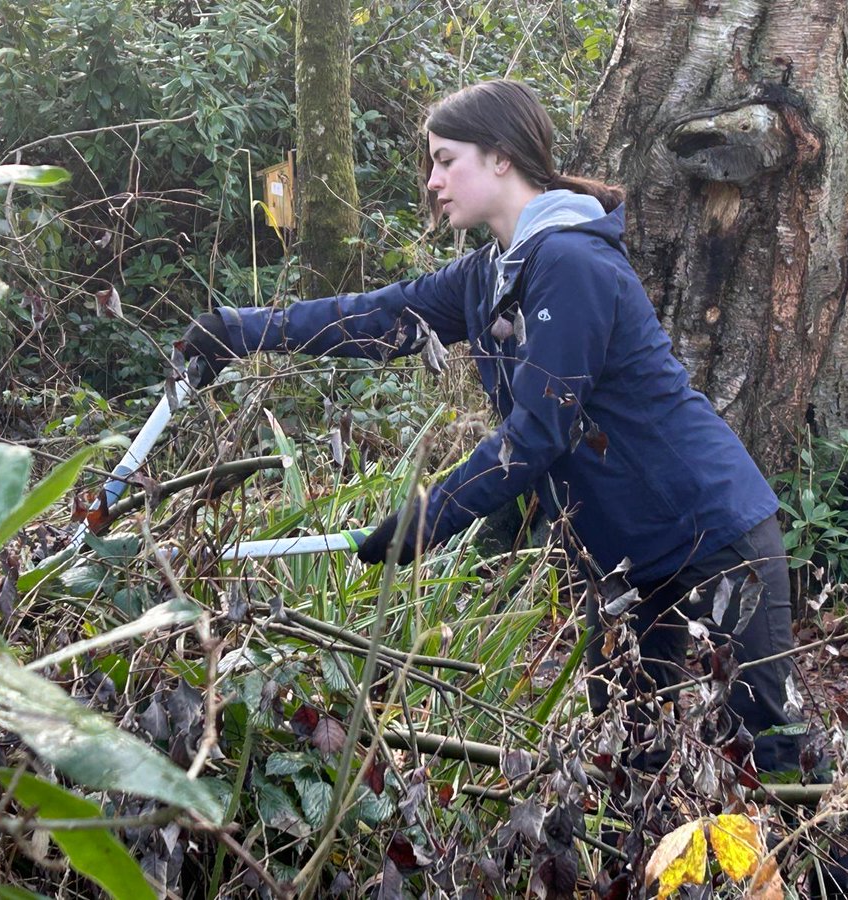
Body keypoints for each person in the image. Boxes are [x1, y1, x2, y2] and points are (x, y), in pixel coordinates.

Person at [180, 79, 799, 774]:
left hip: (711, 530)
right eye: (430, 164)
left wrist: (428, 515)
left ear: (501, 157)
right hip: (618, 560)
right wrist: (241, 330)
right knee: (633, 760)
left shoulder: (572, 261)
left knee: (765, 753)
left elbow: (539, 428)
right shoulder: (486, 277)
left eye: (446, 160)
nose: (432, 181)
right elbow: (375, 316)